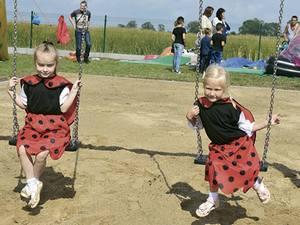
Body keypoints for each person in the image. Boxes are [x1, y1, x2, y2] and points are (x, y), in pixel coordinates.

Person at [186, 64, 280, 217]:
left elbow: (249, 127)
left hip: (238, 144)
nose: (212, 93)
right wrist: (190, 116)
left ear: (225, 88)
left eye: (217, 90)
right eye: (208, 88)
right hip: (218, 147)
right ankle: (212, 199)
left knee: (243, 170)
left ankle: (257, 184)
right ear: (204, 85)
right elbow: (199, 125)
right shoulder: (200, 105)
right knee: (213, 167)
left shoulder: (232, 107)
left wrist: (267, 122)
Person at [7, 40, 83, 209]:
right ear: (35, 63)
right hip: (33, 124)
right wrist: (10, 92)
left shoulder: (61, 85)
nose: (45, 69)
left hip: (55, 127)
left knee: (41, 155)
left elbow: (63, 107)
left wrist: (75, 91)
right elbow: (24, 105)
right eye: (41, 65)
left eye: (49, 65)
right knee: (21, 148)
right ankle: (33, 183)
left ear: (56, 64)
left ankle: (31, 185)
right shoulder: (29, 83)